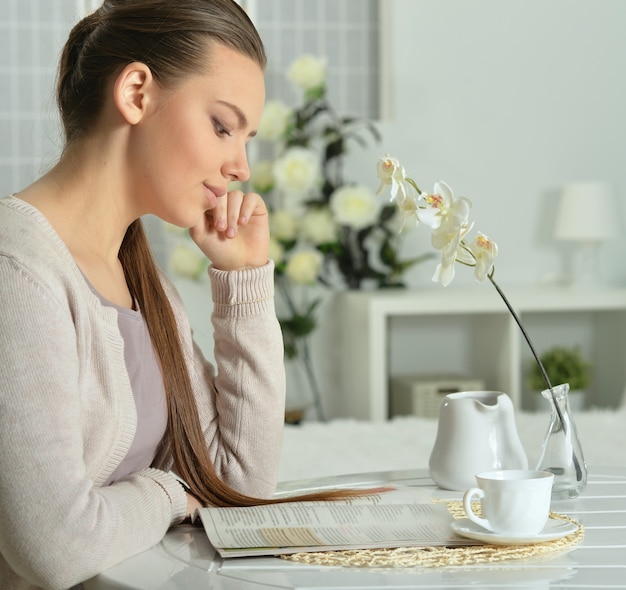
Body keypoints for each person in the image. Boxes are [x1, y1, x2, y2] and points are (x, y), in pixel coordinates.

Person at [0, 1, 360, 588]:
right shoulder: (17, 272)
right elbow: (55, 548)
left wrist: (244, 280)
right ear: (137, 92)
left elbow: (236, 487)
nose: (241, 167)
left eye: (247, 139)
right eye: (223, 125)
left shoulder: (142, 281)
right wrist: (169, 492)